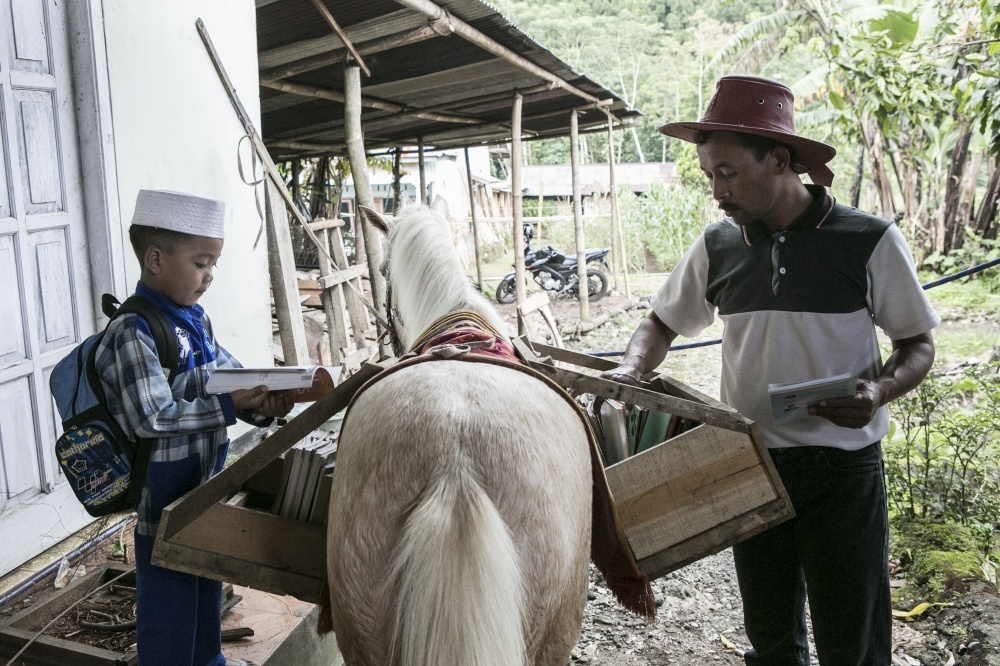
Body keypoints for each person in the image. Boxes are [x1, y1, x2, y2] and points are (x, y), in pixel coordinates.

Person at [603, 76, 940, 665]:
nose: (717, 190)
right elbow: (658, 326)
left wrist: (879, 390)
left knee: (852, 635)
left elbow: (917, 345)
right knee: (771, 632)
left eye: (729, 172)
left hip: (842, 469)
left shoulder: (868, 240)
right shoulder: (718, 246)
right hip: (751, 460)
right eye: (709, 175)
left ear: (780, 160)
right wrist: (632, 368)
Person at [94, 189, 292, 666]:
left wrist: (266, 400)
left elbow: (233, 378)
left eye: (214, 264)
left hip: (203, 490)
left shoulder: (196, 321)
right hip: (161, 500)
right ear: (156, 259)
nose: (210, 275)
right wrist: (227, 404)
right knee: (170, 610)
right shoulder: (132, 331)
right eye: (201, 263)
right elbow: (152, 417)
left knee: (205, 594)